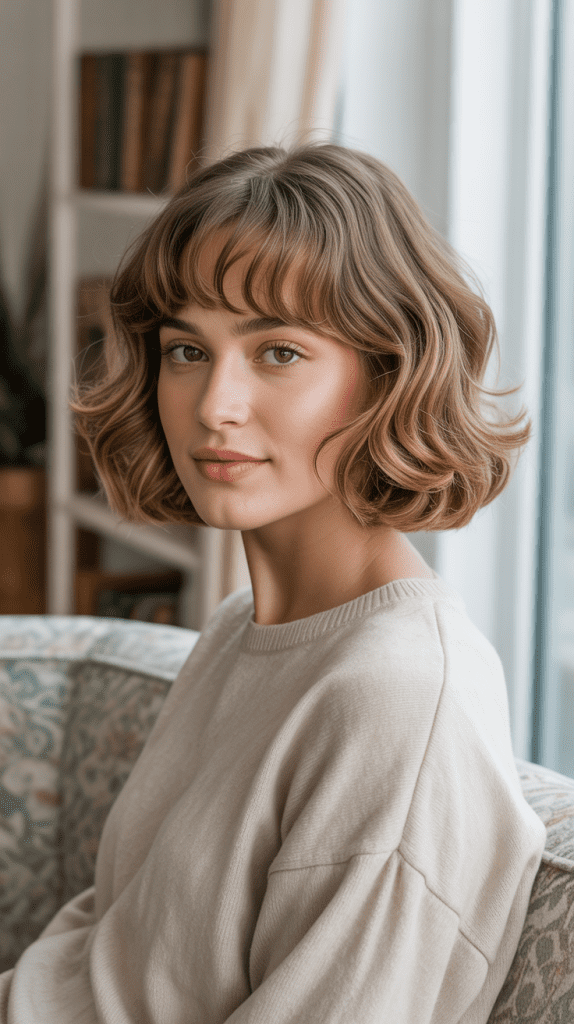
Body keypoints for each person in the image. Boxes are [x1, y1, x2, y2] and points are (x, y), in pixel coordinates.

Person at [0, 143, 545, 1022]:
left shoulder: (395, 701)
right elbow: (109, 957)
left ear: (390, 374)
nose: (215, 405)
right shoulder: (239, 631)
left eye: (279, 352)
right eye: (187, 349)